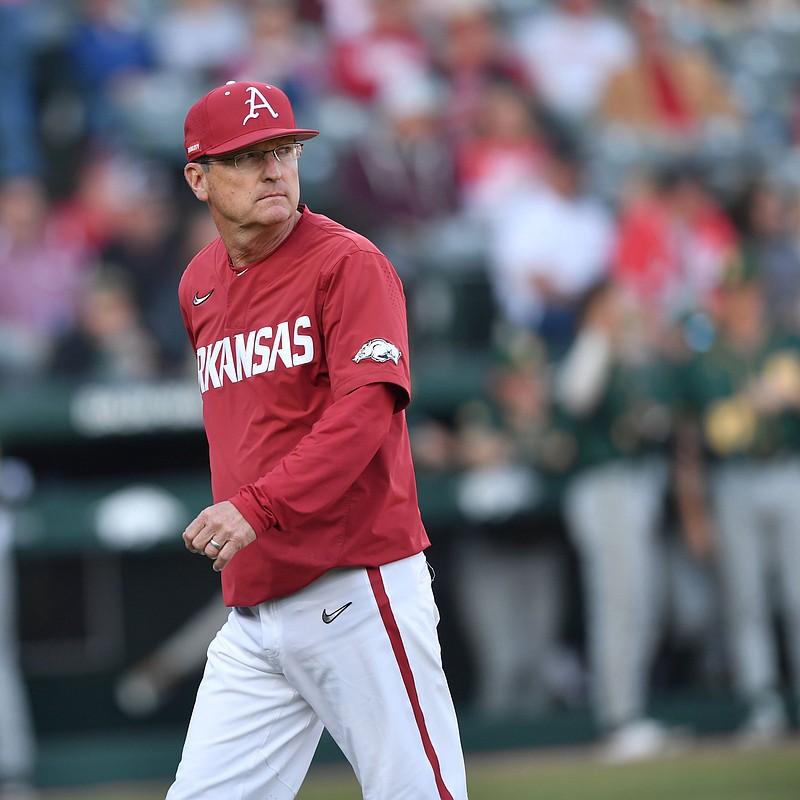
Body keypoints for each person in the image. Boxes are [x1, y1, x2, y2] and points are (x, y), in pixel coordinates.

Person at [166, 80, 469, 800]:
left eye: (283, 151)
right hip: (254, 607)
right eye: (248, 157)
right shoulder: (198, 284)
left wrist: (258, 506)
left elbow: (366, 412)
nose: (274, 170)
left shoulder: (348, 262)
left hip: (355, 581)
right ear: (198, 178)